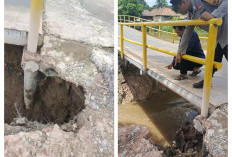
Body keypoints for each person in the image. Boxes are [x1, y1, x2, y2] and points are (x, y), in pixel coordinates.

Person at [170, 0, 228, 88]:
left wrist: (214, 15)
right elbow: (187, 32)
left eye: (178, 8)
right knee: (212, 61)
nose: (178, 11)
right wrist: (180, 52)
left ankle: (206, 81)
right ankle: (206, 81)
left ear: (184, 2)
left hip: (227, 34)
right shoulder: (191, 14)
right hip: (217, 38)